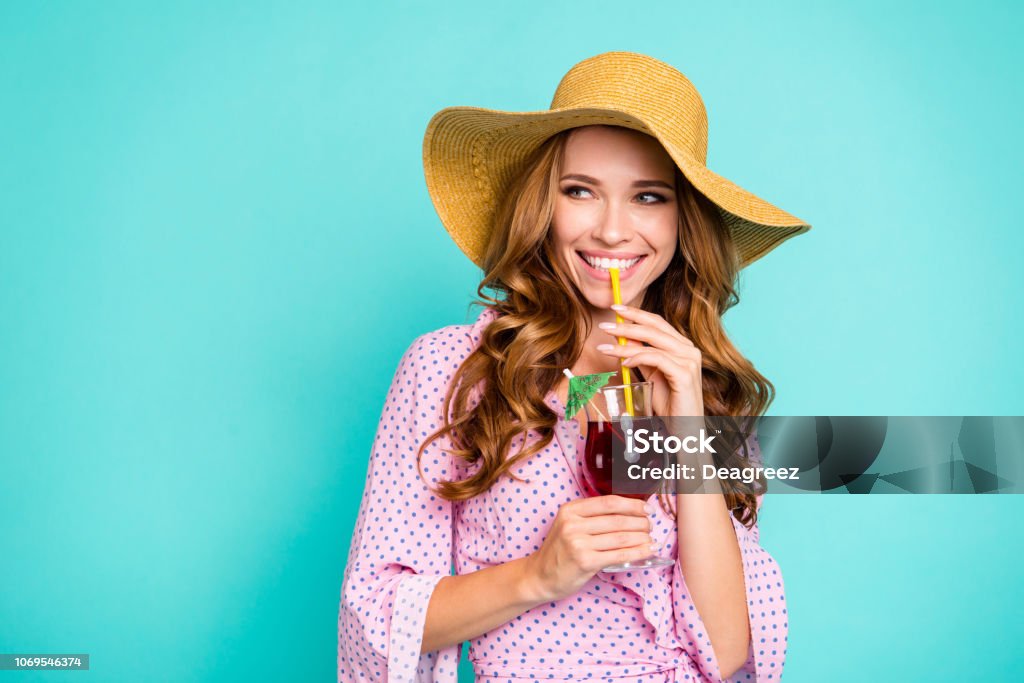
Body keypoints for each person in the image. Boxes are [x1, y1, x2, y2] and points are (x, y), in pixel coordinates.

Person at [338, 51, 810, 683]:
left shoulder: (701, 391)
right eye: (581, 191)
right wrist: (537, 575)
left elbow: (727, 655)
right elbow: (376, 610)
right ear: (544, 205)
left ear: (681, 222)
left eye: (648, 196)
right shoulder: (455, 370)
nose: (613, 231)